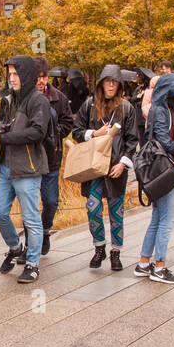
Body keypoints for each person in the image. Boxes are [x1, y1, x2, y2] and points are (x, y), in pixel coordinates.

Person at [0, 55, 51, 284]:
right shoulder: (7, 98)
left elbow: (37, 133)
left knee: (32, 219)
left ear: (25, 75)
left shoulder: (38, 100)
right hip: (4, 165)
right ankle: (15, 248)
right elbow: (5, 124)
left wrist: (3, 137)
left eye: (15, 74)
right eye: (9, 74)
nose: (11, 78)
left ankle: (33, 264)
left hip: (28, 167)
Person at [71, 64, 142, 271]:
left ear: (119, 85)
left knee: (116, 212)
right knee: (92, 207)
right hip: (93, 166)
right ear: (101, 83)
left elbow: (132, 140)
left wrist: (123, 163)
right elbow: (77, 132)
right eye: (107, 81)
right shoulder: (89, 106)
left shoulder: (126, 108)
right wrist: (94, 133)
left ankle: (116, 252)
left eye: (115, 82)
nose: (111, 85)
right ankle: (99, 246)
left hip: (116, 166)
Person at [134, 72, 174, 284]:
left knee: (157, 217)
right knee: (167, 219)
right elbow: (163, 140)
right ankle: (160, 266)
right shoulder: (162, 110)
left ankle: (144, 262)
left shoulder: (160, 108)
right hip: (162, 168)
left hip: (155, 168)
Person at [30, 57, 76, 258]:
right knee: (29, 202)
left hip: (51, 156)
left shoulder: (59, 98)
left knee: (50, 201)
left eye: (44, 77)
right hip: (30, 158)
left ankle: (45, 229)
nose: (41, 81)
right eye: (37, 77)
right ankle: (32, 241)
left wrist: (54, 131)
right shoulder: (26, 97)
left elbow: (68, 122)